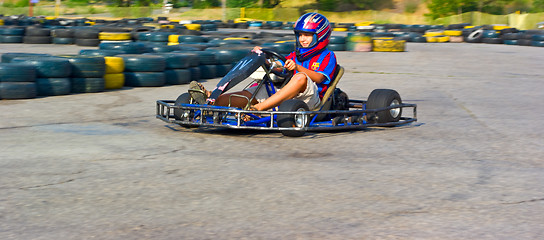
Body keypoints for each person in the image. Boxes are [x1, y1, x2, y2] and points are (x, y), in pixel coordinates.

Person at [188, 12, 337, 113]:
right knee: (255, 89)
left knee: (301, 77)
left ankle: (258, 109)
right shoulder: (295, 54)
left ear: (321, 36)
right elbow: (281, 70)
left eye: (308, 35)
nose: (303, 39)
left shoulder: (328, 56)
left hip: (310, 99)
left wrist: (298, 68)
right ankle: (212, 99)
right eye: (300, 35)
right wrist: (264, 60)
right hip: (286, 94)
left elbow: (320, 78)